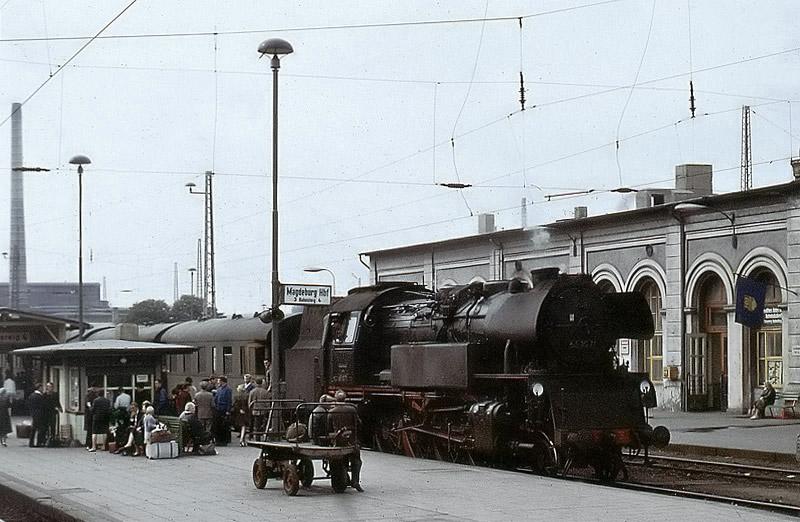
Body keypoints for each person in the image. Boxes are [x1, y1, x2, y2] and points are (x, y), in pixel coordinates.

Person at [248, 378, 270, 442]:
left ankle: (257, 438)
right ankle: (262, 435)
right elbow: (267, 402)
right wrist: (268, 409)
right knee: (262, 423)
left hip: (255, 410)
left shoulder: (252, 391)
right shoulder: (265, 392)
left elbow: (249, 402)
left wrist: (250, 408)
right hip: (263, 410)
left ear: (255, 383)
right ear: (261, 383)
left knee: (256, 424)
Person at [213, 376, 232, 446]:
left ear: (222, 381)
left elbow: (229, 400)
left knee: (224, 426)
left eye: (219, 381)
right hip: (218, 409)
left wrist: (228, 410)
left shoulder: (228, 389)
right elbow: (216, 398)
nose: (218, 382)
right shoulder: (219, 389)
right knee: (218, 425)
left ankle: (224, 440)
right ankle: (218, 440)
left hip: (224, 409)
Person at [27, 383, 46, 448]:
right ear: (39, 388)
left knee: (34, 429)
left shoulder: (31, 395)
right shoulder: (40, 396)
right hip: (40, 414)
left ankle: (31, 443)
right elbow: (43, 406)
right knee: (41, 429)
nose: (43, 389)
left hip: (34, 414)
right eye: (42, 388)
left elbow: (29, 405)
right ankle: (39, 442)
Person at [83, 384, 98, 449]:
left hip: (88, 415)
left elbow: (88, 404)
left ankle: (89, 444)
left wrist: (90, 409)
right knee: (92, 430)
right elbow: (89, 404)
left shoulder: (88, 396)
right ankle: (90, 444)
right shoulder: (94, 396)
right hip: (92, 415)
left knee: (89, 430)